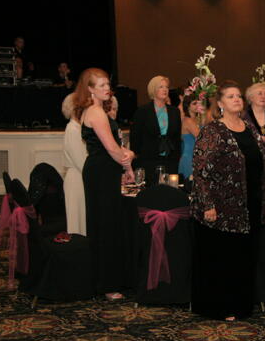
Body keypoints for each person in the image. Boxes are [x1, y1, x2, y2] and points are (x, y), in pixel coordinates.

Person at [191, 80, 265, 320]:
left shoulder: (248, 127)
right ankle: (222, 307)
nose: (237, 99)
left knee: (245, 256)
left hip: (251, 203)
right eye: (230, 96)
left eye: (238, 95)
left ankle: (241, 304)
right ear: (220, 103)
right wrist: (207, 204)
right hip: (223, 206)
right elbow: (200, 169)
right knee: (226, 258)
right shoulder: (213, 130)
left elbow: (264, 161)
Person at [75, 68, 135, 301]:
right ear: (89, 89)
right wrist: (128, 166)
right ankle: (107, 284)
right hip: (101, 171)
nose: (106, 88)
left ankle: (108, 279)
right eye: (100, 85)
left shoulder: (98, 111)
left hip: (104, 170)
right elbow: (111, 148)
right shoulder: (96, 113)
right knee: (106, 225)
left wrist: (123, 160)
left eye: (107, 84)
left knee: (107, 222)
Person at [130, 76, 182, 185]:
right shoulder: (143, 111)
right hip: (149, 160)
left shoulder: (174, 112)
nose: (165, 89)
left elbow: (177, 138)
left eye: (166, 87)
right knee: (151, 195)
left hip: (170, 161)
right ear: (153, 89)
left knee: (169, 194)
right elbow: (135, 138)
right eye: (161, 87)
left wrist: (177, 158)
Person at [61, 93, 87, 236]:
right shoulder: (72, 129)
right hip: (76, 179)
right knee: (76, 223)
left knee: (82, 221)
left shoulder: (78, 128)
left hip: (79, 178)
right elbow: (82, 161)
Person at [178, 96, 201, 179]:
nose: (197, 105)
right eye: (194, 104)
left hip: (197, 156)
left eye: (198, 103)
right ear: (187, 106)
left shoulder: (197, 120)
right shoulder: (187, 120)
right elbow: (201, 137)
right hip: (189, 158)